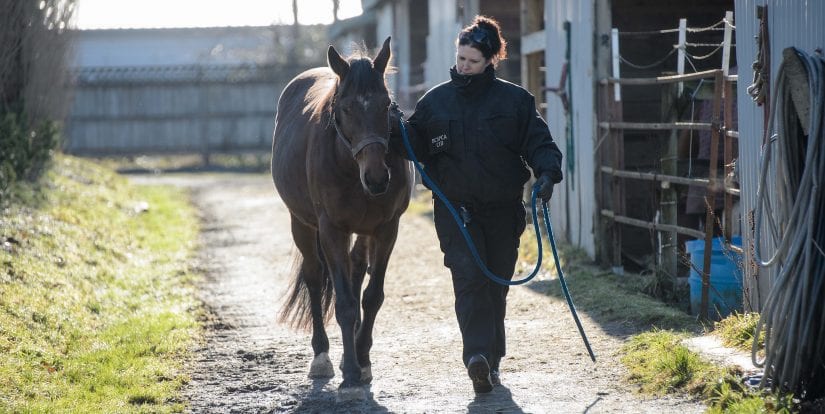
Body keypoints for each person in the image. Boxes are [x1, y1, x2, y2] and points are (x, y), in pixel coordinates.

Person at [389, 15, 564, 394]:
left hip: (503, 211)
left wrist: (548, 174)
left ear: (490, 61)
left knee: (495, 286)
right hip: (456, 212)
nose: (463, 66)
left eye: (472, 60)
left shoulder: (515, 101)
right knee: (469, 280)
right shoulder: (434, 102)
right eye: (460, 58)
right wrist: (393, 126)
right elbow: (412, 146)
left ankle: (492, 361)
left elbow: (540, 143)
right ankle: (476, 358)